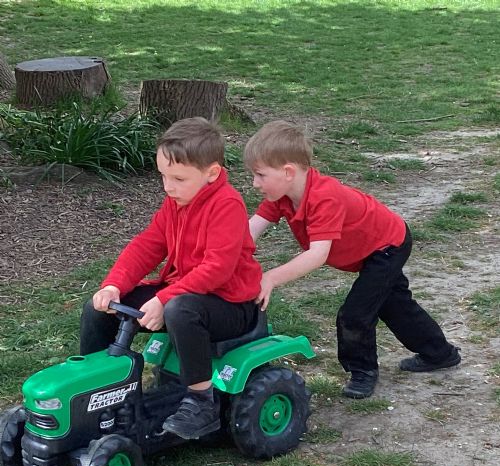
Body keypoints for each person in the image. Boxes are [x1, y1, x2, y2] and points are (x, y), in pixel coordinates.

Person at [245, 120, 460, 399]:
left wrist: (271, 278)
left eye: (260, 175)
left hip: (387, 246)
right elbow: (250, 231)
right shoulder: (282, 195)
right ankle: (440, 354)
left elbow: (317, 255)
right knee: (395, 305)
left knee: (355, 314)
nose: (255, 183)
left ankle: (363, 372)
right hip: (370, 250)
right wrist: (224, 254)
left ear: (288, 172)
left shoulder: (324, 198)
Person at [80, 117, 262, 439]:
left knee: (180, 309)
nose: (168, 186)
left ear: (212, 174)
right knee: (100, 309)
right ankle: (96, 388)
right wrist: (114, 285)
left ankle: (201, 402)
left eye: (178, 178)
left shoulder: (227, 205)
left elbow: (217, 268)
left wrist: (164, 298)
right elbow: (148, 245)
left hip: (230, 304)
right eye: (163, 176)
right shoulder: (176, 202)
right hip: (186, 293)